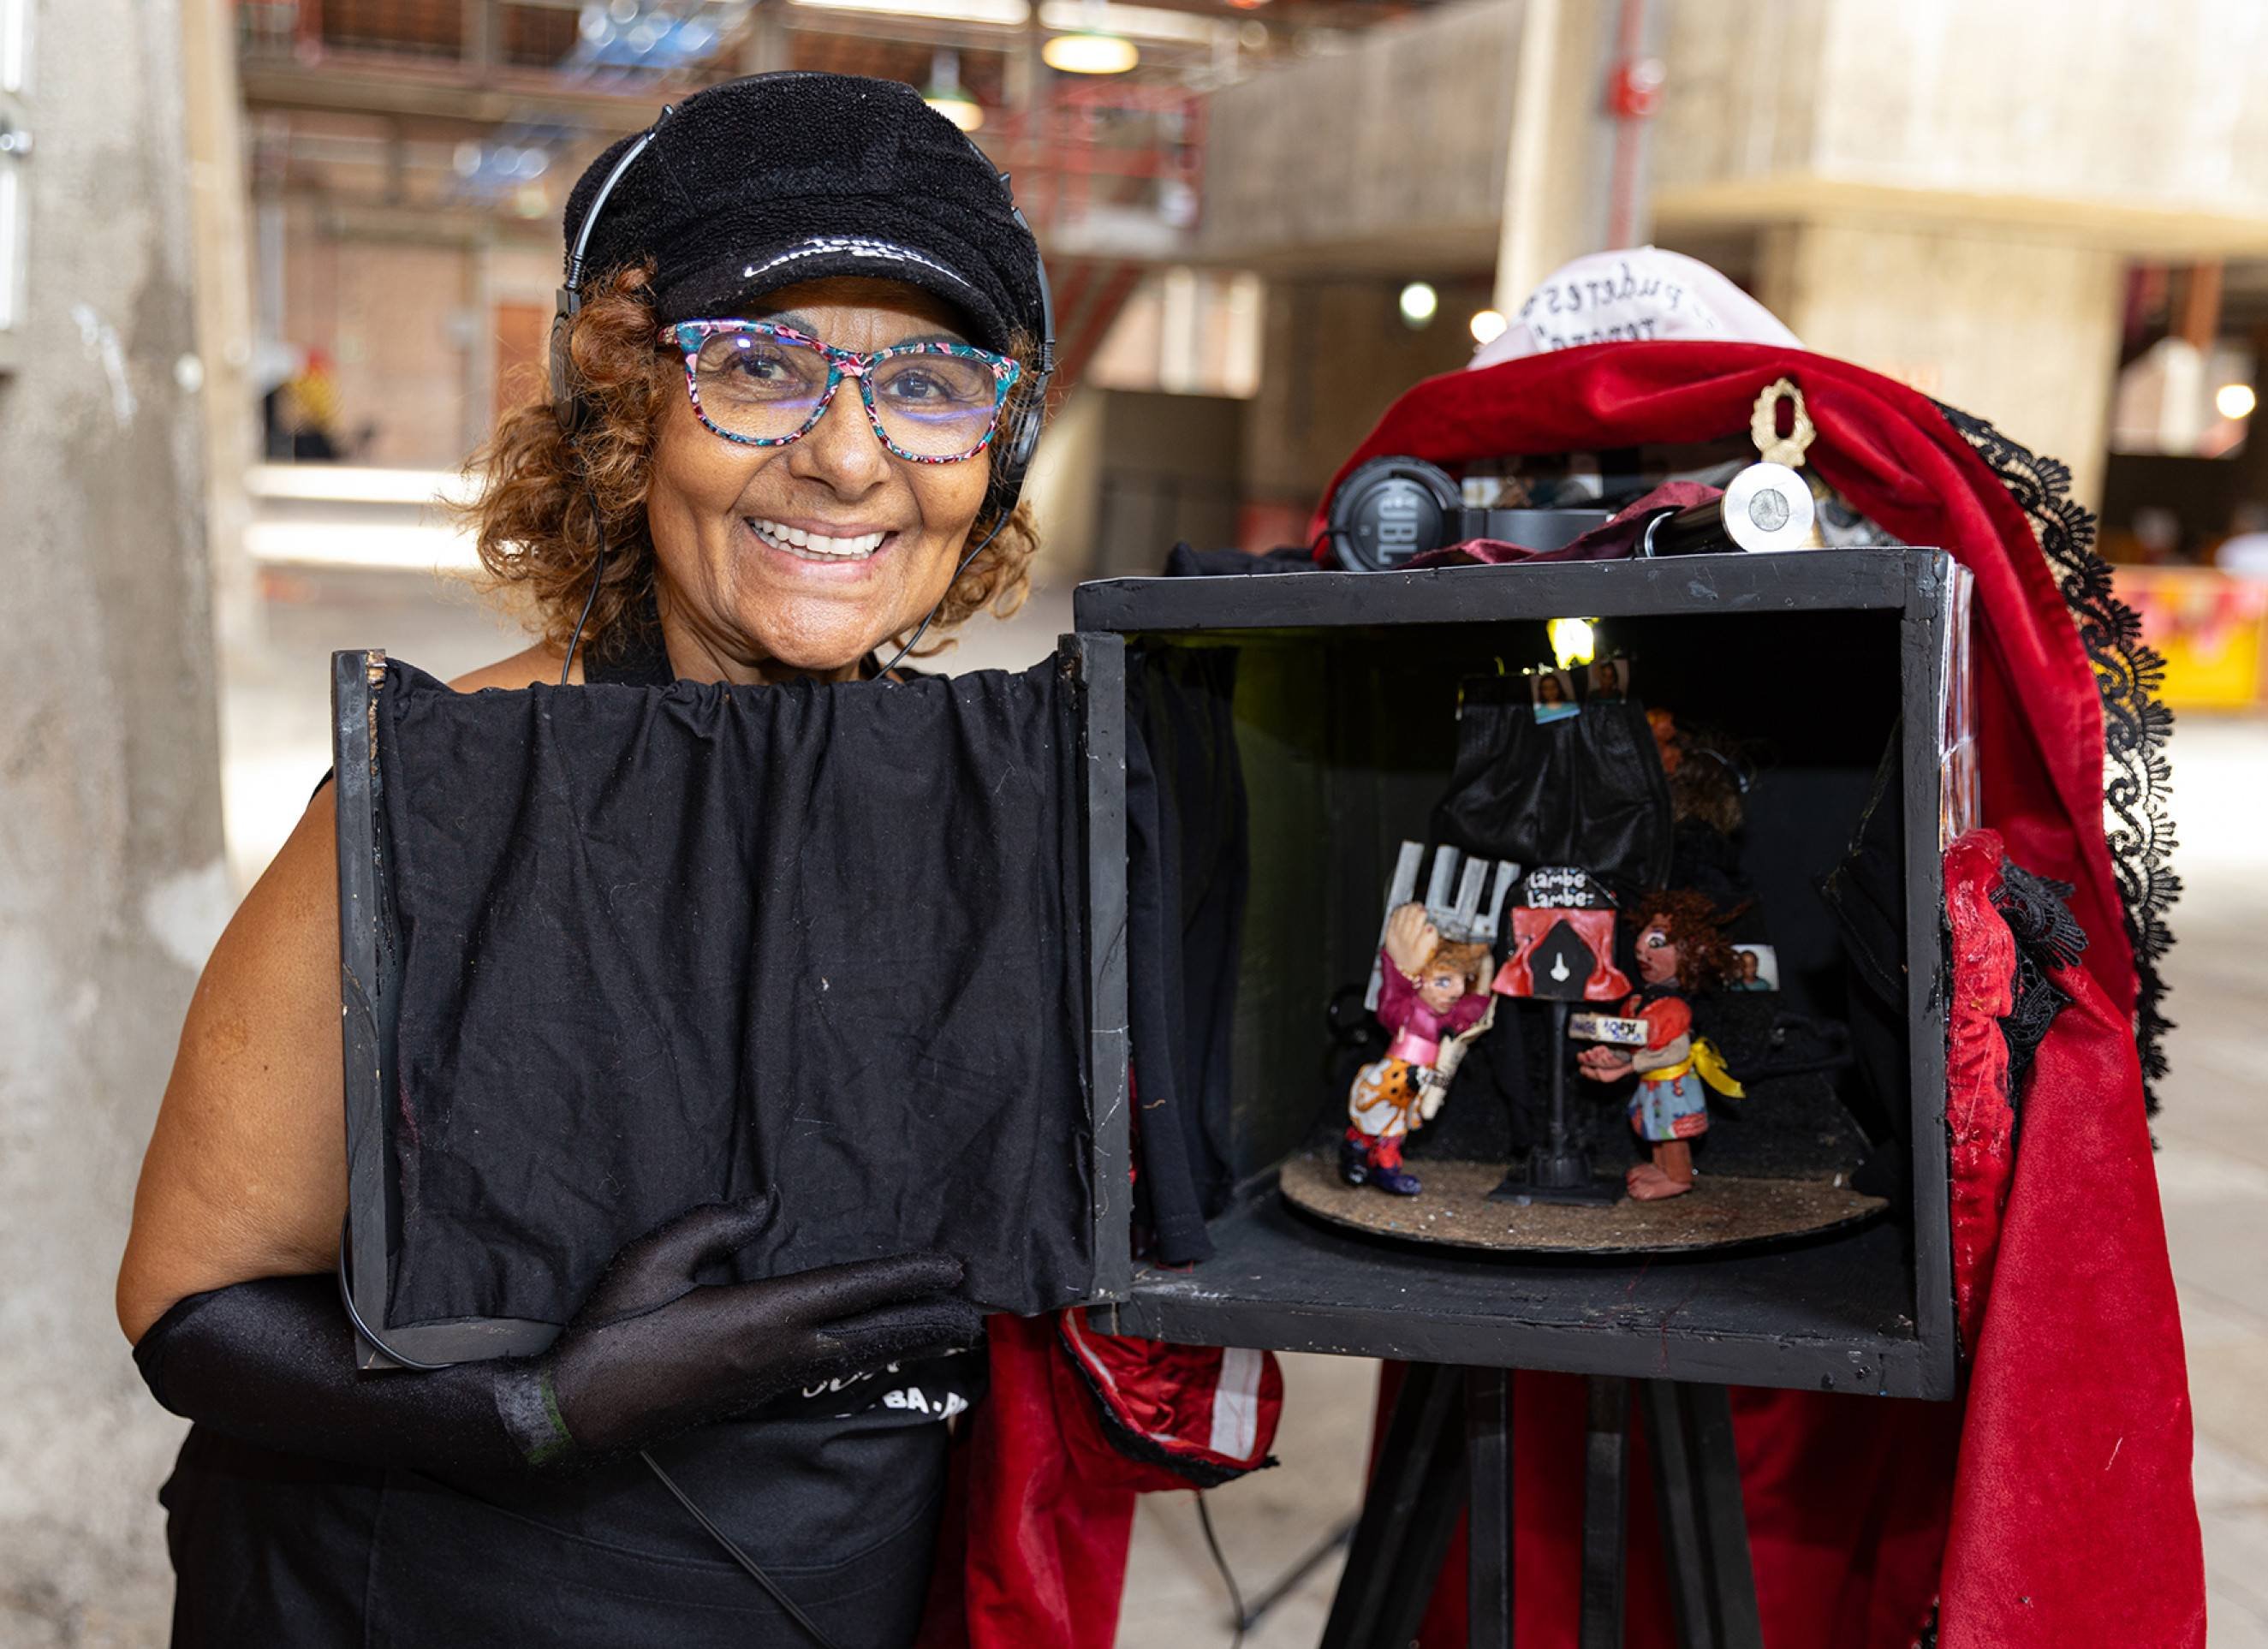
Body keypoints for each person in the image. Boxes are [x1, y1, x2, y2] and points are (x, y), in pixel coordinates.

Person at [115, 74, 1057, 1646]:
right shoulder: (435, 797)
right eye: (757, 365)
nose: (848, 457)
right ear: (625, 406)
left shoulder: (1002, 809)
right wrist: (535, 1409)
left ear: (997, 447)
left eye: (929, 381)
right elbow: (188, 1308)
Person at [1575, 889, 1742, 1199]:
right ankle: (1661, 1168)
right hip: (1652, 1085)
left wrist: (1626, 1069)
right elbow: (1634, 1041)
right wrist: (1610, 1058)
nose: (1640, 948)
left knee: (1672, 1132)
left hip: (1672, 1085)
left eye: (1656, 942)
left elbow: (1677, 1051)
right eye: (1643, 937)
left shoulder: (1674, 1009)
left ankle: (1678, 1177)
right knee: (1656, 1129)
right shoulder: (1641, 1002)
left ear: (1691, 953)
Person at [1343, 903, 1494, 1195]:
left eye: (1462, 981)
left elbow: (1473, 1009)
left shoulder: (1448, 1017)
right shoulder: (1406, 1009)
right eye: (1444, 981)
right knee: (1375, 1116)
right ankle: (1355, 1152)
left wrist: (1485, 975)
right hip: (1393, 1077)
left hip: (1422, 1079)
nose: (1456, 991)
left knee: (1400, 1125)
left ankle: (1386, 1167)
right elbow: (1392, 991)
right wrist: (1397, 962)